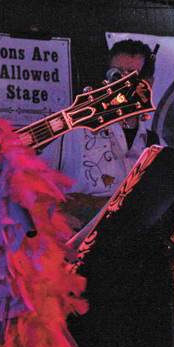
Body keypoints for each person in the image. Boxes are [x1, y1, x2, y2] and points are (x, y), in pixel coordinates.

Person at [60, 38, 158, 230]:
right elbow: (31, 176)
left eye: (131, 75)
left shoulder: (153, 141)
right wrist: (57, 215)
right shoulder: (77, 128)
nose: (122, 81)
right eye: (116, 74)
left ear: (148, 83)